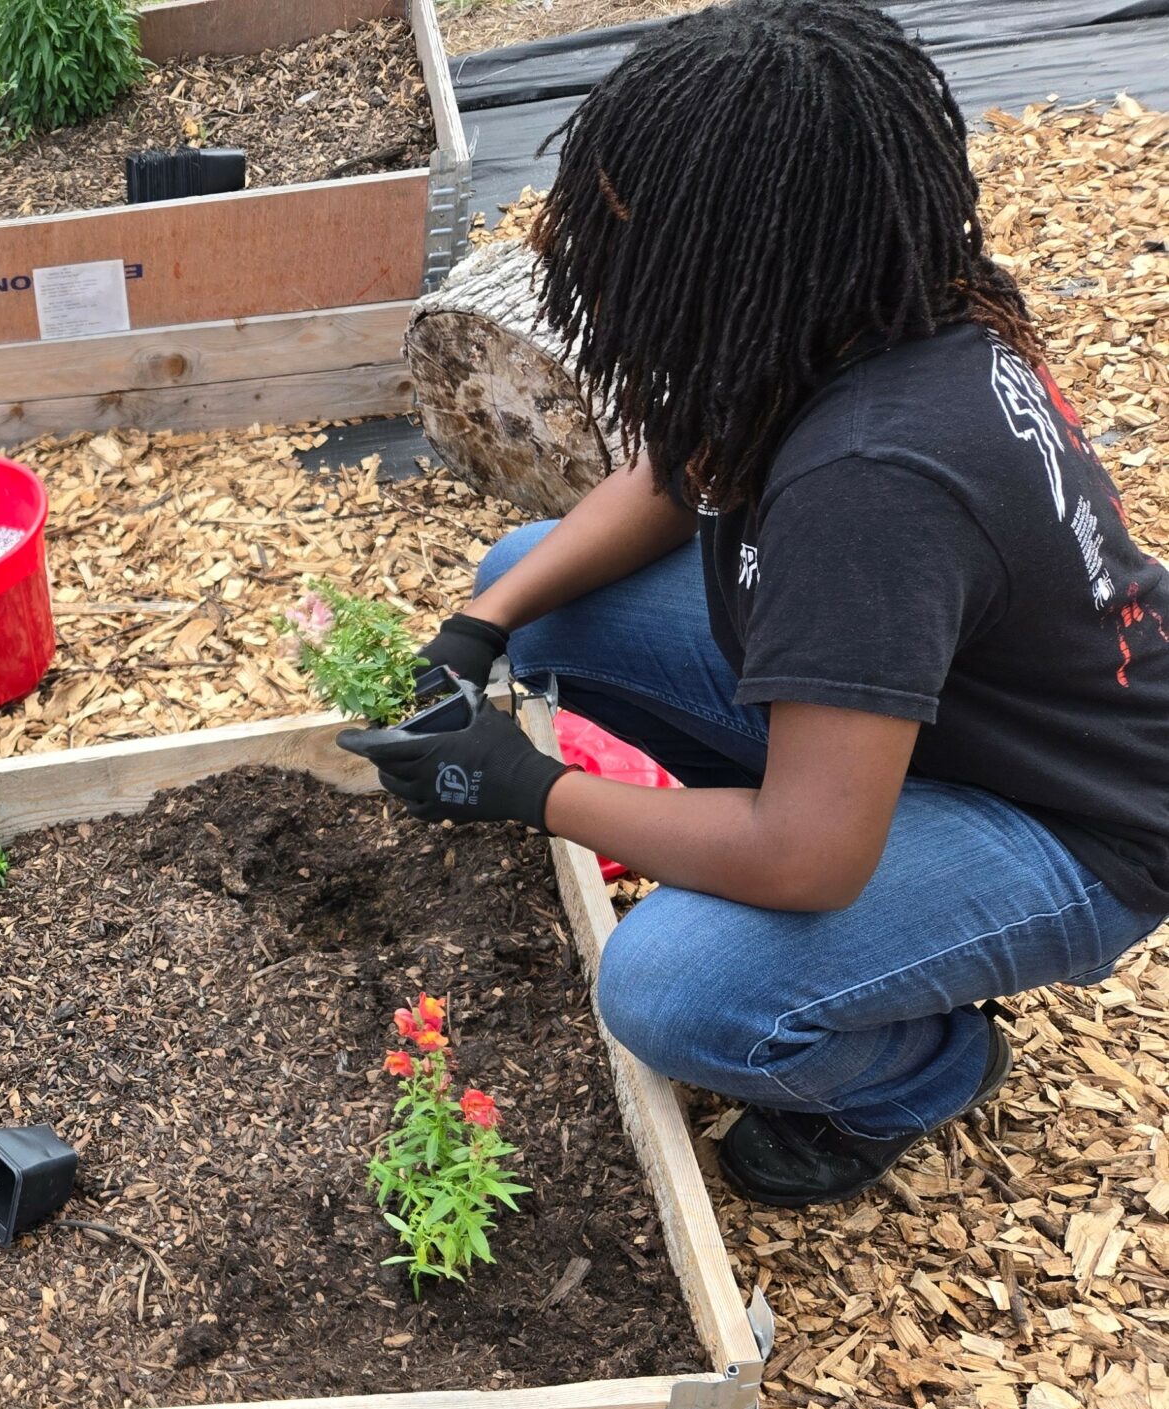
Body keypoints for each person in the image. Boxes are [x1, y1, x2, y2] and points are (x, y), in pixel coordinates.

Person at [341, 0, 1169, 1208]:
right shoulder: (872, 298)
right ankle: (833, 888)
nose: (582, 247)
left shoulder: (872, 484)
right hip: (939, 712)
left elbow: (812, 854)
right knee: (539, 580)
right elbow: (686, 467)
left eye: (622, 225)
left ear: (746, 242)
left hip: (1070, 817)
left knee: (673, 988)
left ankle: (920, 1066)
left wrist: (529, 789)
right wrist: (489, 621)